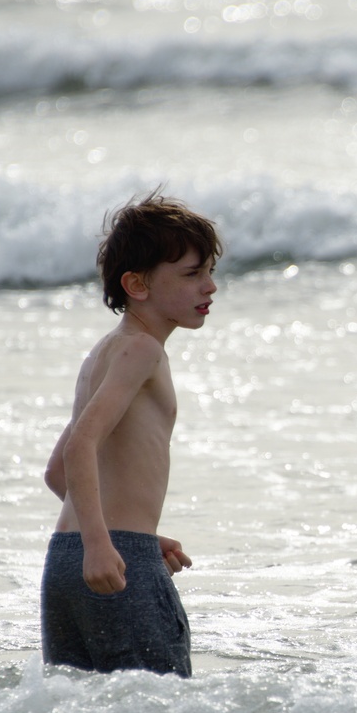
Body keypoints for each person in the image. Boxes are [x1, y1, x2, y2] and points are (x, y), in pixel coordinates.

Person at [40, 194, 220, 675]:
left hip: (63, 564)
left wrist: (116, 531)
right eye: (192, 274)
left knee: (83, 711)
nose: (210, 285)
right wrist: (106, 543)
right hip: (113, 558)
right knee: (162, 708)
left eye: (210, 271)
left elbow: (57, 472)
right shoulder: (142, 351)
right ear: (137, 284)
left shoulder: (103, 353)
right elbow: (81, 445)